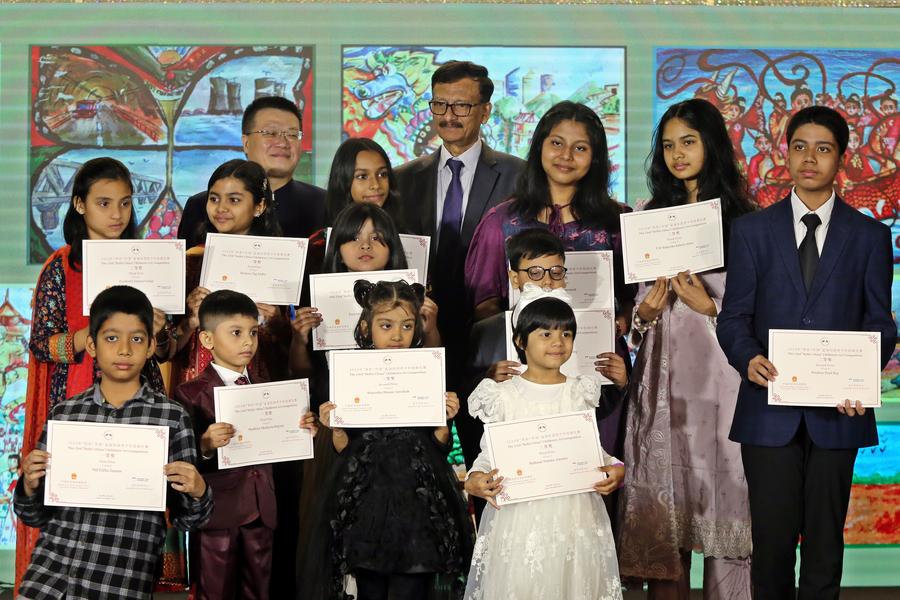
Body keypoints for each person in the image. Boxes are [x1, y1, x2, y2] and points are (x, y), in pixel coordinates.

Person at [716, 106, 896, 599]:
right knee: (771, 546)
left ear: (842, 158)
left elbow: (880, 324)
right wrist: (747, 357)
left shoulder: (870, 236)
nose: (809, 158)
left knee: (824, 546)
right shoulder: (752, 231)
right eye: (800, 147)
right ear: (786, 154)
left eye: (823, 149)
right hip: (767, 410)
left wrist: (860, 378)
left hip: (839, 412)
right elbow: (733, 317)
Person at [617, 98, 756, 599]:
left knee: (726, 501)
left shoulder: (746, 222)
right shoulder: (647, 217)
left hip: (722, 380)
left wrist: (710, 305)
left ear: (712, 145)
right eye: (669, 145)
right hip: (662, 383)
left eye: (689, 142)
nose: (677, 154)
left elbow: (759, 314)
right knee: (666, 516)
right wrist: (645, 314)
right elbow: (636, 314)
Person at [17, 157, 171, 590]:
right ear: (80, 204)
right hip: (76, 404)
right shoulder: (61, 267)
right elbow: (40, 344)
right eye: (104, 203)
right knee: (75, 511)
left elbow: (167, 349)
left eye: (125, 203)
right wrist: (84, 338)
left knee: (129, 510)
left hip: (138, 404)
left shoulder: (148, 263)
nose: (117, 214)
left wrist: (160, 332)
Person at [15, 285, 212, 599]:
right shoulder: (65, 414)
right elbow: (33, 515)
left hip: (118, 580)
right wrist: (29, 484)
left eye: (136, 339)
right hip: (48, 577)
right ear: (92, 346)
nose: (124, 350)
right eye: (111, 338)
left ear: (151, 346)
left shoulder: (172, 419)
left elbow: (188, 519)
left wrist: (199, 490)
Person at [300, 279, 474, 600]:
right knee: (371, 587)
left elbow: (439, 445)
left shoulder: (425, 369)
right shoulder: (350, 372)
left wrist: (445, 419)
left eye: (407, 326)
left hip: (417, 501)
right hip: (367, 501)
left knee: (412, 586)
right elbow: (344, 449)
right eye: (386, 325)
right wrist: (335, 427)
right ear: (367, 328)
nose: (397, 335)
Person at [171, 158, 298, 596]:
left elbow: (293, 348)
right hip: (202, 382)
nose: (221, 208)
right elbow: (165, 345)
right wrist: (190, 318)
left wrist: (274, 321)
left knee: (259, 508)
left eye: (234, 199)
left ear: (259, 206)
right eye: (214, 198)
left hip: (260, 386)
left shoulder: (281, 261)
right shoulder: (190, 261)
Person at [463, 289, 624, 599]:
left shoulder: (579, 391)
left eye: (566, 333)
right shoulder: (502, 395)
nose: (558, 342)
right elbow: (488, 455)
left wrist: (615, 467)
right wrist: (474, 479)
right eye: (546, 333)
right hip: (520, 521)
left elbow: (591, 450)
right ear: (520, 341)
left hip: (575, 519)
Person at [175, 290, 318, 600]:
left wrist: (303, 427)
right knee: (215, 591)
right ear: (207, 340)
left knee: (260, 590)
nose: (248, 342)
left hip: (262, 510)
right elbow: (183, 457)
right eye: (236, 333)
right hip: (216, 512)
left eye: (253, 332)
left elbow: (285, 444)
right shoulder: (190, 393)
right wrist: (205, 444)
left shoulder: (271, 390)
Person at [395, 60, 525, 385]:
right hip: (417, 337)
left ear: (485, 111)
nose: (449, 115)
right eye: (440, 104)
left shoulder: (521, 177)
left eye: (462, 106)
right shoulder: (401, 180)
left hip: (493, 338)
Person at [460, 228, 628, 471]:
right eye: (535, 273)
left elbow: (594, 407)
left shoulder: (589, 328)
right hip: (516, 464)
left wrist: (620, 383)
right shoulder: (487, 332)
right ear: (514, 278)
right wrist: (487, 378)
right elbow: (469, 406)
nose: (547, 282)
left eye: (556, 272)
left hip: (569, 459)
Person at [464, 100, 633, 322]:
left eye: (580, 148)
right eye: (556, 143)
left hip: (599, 343)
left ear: (595, 157)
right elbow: (484, 304)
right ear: (539, 147)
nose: (566, 155)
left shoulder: (617, 221)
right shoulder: (500, 221)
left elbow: (631, 298)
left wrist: (622, 321)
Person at [177, 96, 325, 248]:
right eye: (270, 133)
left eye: (292, 135)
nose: (283, 143)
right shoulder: (200, 206)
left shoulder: (324, 205)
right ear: (246, 143)